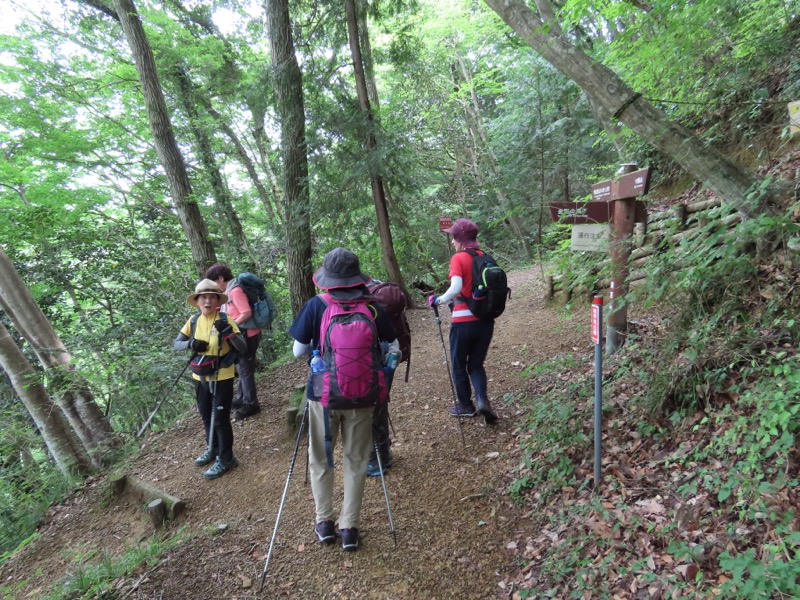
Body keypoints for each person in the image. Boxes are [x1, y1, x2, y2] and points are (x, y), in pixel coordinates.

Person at [289, 248, 399, 552]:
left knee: (321, 459)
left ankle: (324, 522)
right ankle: (349, 527)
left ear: (328, 278)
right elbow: (393, 346)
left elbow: (298, 351)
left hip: (323, 397)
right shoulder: (373, 307)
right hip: (362, 396)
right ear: (356, 275)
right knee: (356, 460)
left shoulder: (316, 305)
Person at [173, 279, 248, 479]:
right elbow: (176, 343)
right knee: (207, 416)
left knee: (221, 419)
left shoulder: (225, 318)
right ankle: (212, 448)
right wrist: (191, 344)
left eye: (212, 296)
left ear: (217, 300)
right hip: (199, 376)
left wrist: (228, 333)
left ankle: (226, 458)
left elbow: (242, 347)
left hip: (221, 376)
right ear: (197, 301)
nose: (207, 300)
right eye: (203, 297)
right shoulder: (194, 321)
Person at [428, 218, 499, 425]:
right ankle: (482, 400)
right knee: (476, 365)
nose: (452, 241)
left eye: (453, 237)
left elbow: (456, 287)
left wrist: (438, 300)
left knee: (459, 365)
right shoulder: (486, 257)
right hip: (485, 321)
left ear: (460, 238)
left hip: (463, 322)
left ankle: (466, 406)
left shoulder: (459, 258)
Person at [205, 264, 262, 420]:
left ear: (221, 278)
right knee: (241, 366)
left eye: (215, 282)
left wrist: (231, 325)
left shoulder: (236, 290)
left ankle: (251, 403)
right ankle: (242, 397)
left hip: (247, 335)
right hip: (240, 335)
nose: (215, 286)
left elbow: (246, 312)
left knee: (245, 369)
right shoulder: (229, 291)